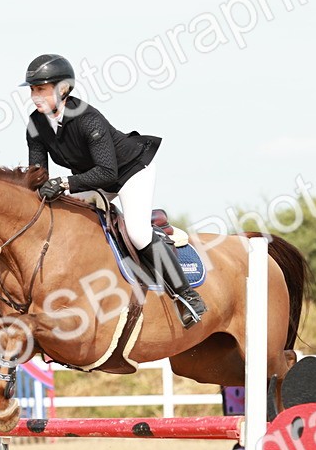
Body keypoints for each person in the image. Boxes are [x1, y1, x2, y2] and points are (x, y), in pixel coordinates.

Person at [21, 53, 206, 328]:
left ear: (63, 89)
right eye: (33, 90)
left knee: (138, 232)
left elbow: (108, 172)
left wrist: (63, 184)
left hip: (130, 173)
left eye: (42, 89)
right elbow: (38, 174)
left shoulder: (86, 118)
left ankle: (187, 296)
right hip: (90, 180)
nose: (36, 96)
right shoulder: (36, 125)